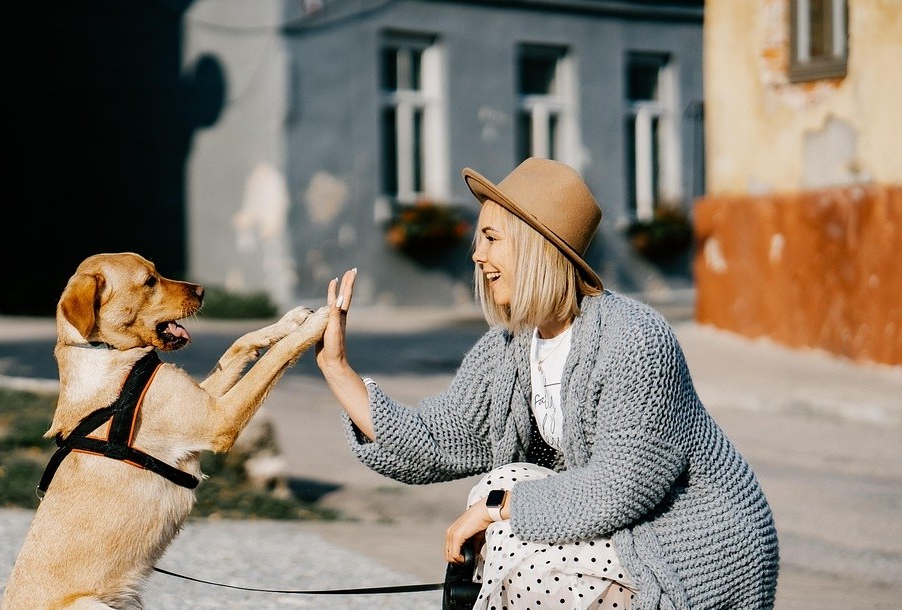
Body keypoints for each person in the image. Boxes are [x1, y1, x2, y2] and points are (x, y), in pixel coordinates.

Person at [315, 158, 779, 610]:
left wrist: (498, 508)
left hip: (692, 544)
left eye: (492, 238)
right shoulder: (512, 345)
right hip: (622, 527)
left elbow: (618, 487)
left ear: (536, 245)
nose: (477, 255)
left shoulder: (635, 338)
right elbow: (437, 439)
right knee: (502, 488)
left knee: (515, 538)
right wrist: (338, 368)